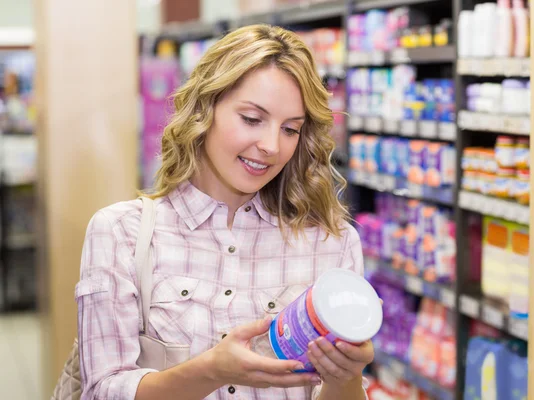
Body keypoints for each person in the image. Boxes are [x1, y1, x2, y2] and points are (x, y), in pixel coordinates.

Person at [76, 25, 372, 400]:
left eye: (290, 129)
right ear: (205, 109)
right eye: (251, 119)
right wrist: (211, 371)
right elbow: (102, 390)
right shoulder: (121, 233)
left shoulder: (333, 243)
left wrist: (344, 377)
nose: (270, 146)